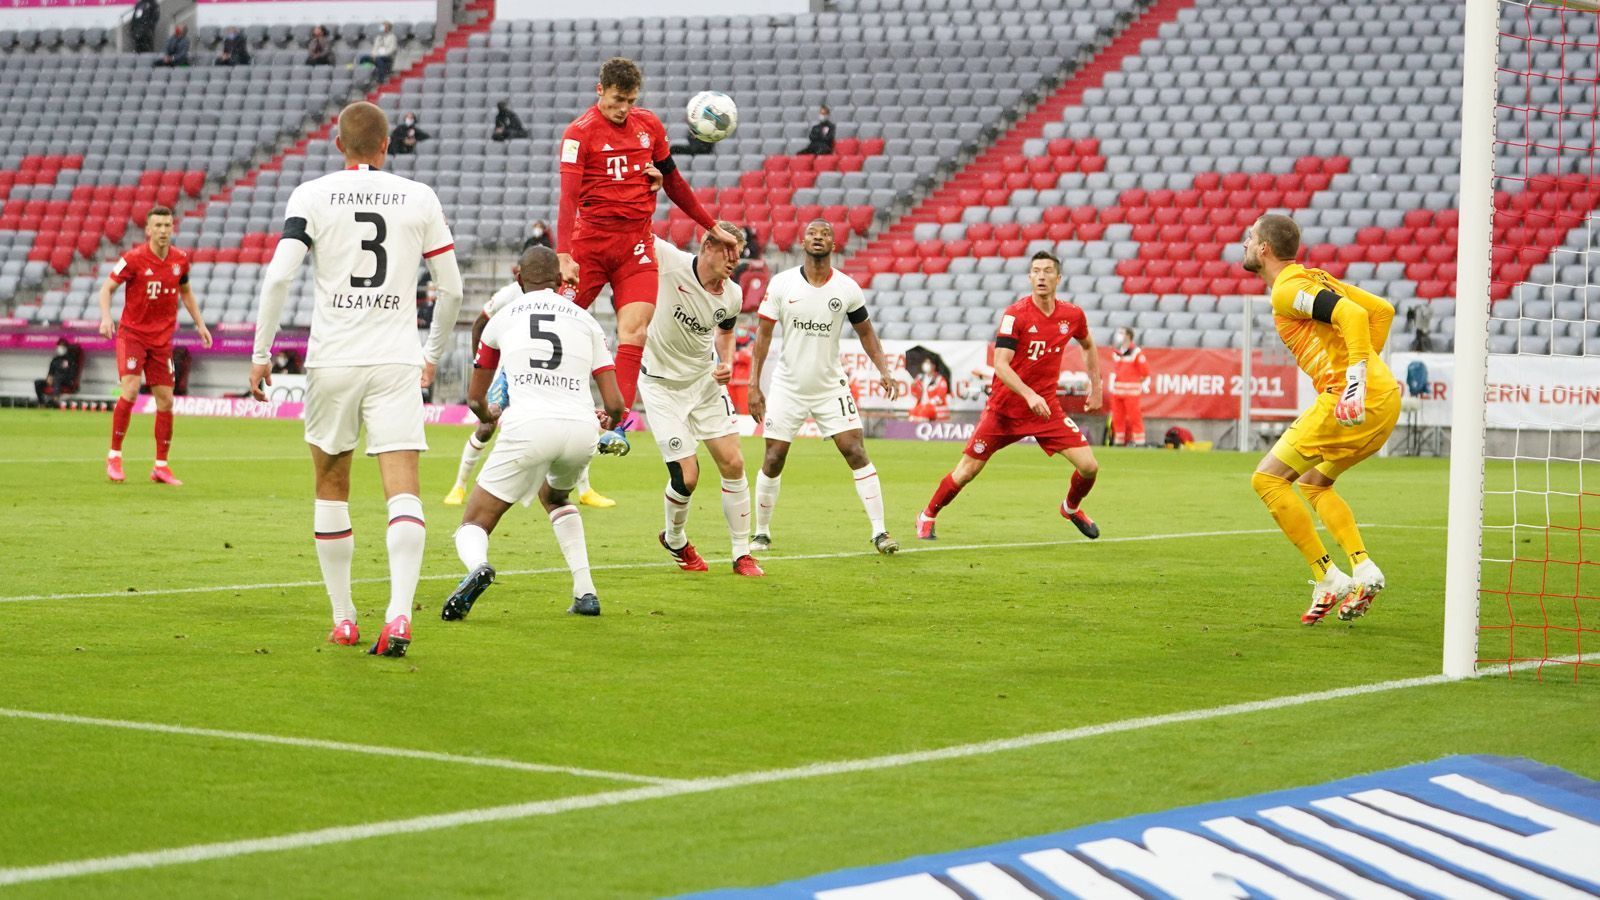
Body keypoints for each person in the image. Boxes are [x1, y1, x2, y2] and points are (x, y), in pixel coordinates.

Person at [249, 101, 464, 657]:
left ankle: (344, 618)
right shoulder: (419, 196)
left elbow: (278, 278)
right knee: (404, 488)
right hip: (396, 358)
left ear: (338, 145)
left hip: (333, 360)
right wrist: (432, 353)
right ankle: (398, 615)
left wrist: (262, 352)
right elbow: (454, 289)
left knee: (331, 483)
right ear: (387, 145)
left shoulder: (312, 194)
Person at [557, 56, 739, 455]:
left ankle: (616, 426)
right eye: (617, 99)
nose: (623, 108)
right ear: (599, 91)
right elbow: (568, 198)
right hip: (589, 243)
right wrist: (564, 253)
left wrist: (710, 225)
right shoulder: (579, 134)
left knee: (634, 331)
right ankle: (510, 385)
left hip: (636, 245)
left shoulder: (649, 126)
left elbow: (672, 181)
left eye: (630, 100)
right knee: (556, 321)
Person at [440, 246, 626, 620]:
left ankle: (477, 566)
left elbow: (475, 397)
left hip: (528, 427)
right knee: (556, 497)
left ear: (518, 277)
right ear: (560, 281)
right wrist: (608, 421)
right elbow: (616, 403)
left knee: (474, 522)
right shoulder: (586, 321)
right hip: (580, 430)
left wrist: (487, 413)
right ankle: (585, 591)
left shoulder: (503, 317)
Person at [1241, 213, 1398, 625]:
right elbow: (1382, 310)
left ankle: (1327, 576)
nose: (1244, 242)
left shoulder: (1287, 290)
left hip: (1351, 399)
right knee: (1315, 483)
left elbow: (1355, 316)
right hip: (1385, 401)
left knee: (1267, 480)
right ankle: (1364, 568)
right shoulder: (1316, 277)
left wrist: (1354, 380)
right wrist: (1368, 374)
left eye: (1250, 237)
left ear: (1264, 249)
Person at [916, 251, 1104, 541]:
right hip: (1004, 411)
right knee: (966, 472)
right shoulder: (1015, 314)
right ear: (1029, 277)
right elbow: (1001, 365)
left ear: (1058, 277)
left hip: (1045, 410)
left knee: (1089, 467)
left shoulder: (1073, 315)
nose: (1041, 276)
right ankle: (927, 514)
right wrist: (1029, 394)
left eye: (1047, 271)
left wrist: (1097, 387)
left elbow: (1088, 346)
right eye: (1036, 271)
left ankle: (1070, 507)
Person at [747, 219, 900, 554]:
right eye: (813, 234)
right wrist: (753, 385)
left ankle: (880, 532)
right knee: (773, 457)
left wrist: (884, 369)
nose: (818, 238)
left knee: (856, 451)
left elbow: (866, 334)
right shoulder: (782, 284)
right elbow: (763, 335)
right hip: (788, 385)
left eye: (825, 234)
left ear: (834, 243)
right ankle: (760, 532)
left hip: (831, 386)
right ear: (803, 241)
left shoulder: (846, 288)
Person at [639, 224, 764, 577]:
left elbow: (725, 331)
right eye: (729, 252)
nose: (735, 261)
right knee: (688, 477)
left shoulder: (733, 295)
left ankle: (742, 553)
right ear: (707, 245)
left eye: (739, 254)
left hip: (704, 383)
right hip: (662, 386)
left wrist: (724, 361)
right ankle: (675, 539)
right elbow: (637, 226)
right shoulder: (669, 261)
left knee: (733, 462)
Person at [443, 270, 615, 509]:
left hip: (547, 373)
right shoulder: (508, 295)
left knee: (565, 418)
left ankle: (585, 490)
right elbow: (480, 323)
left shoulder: (561, 296)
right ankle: (459, 486)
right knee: (486, 427)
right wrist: (483, 366)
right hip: (508, 371)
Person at [97, 205, 212, 485]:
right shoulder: (133, 258)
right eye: (157, 226)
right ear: (148, 230)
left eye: (167, 226)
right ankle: (114, 456)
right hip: (133, 336)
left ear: (172, 228)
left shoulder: (180, 260)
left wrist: (200, 323)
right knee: (132, 389)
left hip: (161, 341)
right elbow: (107, 288)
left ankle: (161, 466)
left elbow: (186, 292)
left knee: (166, 400)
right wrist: (105, 317)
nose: (163, 231)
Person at [1107, 326, 1150, 446]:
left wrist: (1135, 383)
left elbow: (1145, 372)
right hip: (1118, 392)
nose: (1119, 335)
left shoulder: (1136, 352)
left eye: (1122, 333)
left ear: (1128, 336)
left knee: (1135, 418)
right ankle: (1118, 441)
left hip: (1131, 393)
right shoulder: (1118, 352)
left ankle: (1140, 442)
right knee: (1117, 418)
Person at [35, 340, 79, 406]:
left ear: (66, 348)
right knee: (38, 382)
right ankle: (41, 402)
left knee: (57, 378)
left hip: (67, 381)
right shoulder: (55, 360)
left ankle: (55, 399)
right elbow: (51, 372)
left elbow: (72, 373)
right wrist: (49, 378)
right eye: (59, 346)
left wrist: (60, 377)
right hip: (55, 381)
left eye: (62, 346)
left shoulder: (70, 359)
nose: (60, 348)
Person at [907, 358, 950, 422]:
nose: (925, 365)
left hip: (935, 407)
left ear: (934, 366)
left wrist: (929, 404)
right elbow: (916, 394)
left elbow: (941, 395)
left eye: (928, 363)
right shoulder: (920, 378)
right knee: (912, 413)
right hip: (922, 406)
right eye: (925, 362)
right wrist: (914, 386)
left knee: (922, 415)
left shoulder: (939, 379)